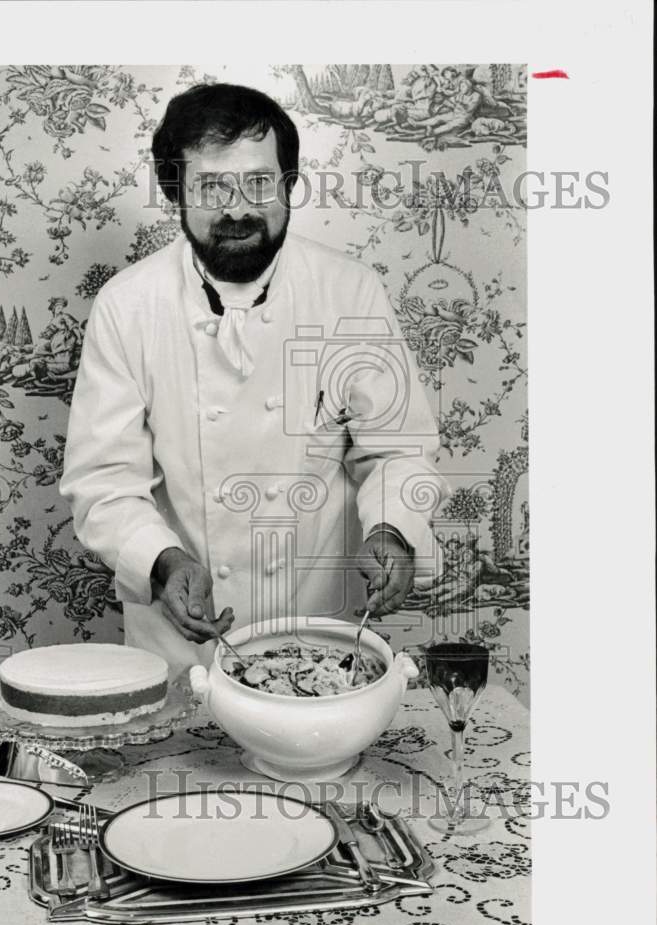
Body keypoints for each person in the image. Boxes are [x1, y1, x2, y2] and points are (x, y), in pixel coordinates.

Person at [60, 83, 447, 672]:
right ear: (175, 193)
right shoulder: (128, 305)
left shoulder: (350, 291)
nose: (237, 209)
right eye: (212, 186)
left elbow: (396, 450)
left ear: (289, 186)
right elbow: (102, 481)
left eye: (260, 183)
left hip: (319, 631)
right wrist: (162, 562)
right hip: (182, 645)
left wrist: (393, 531)